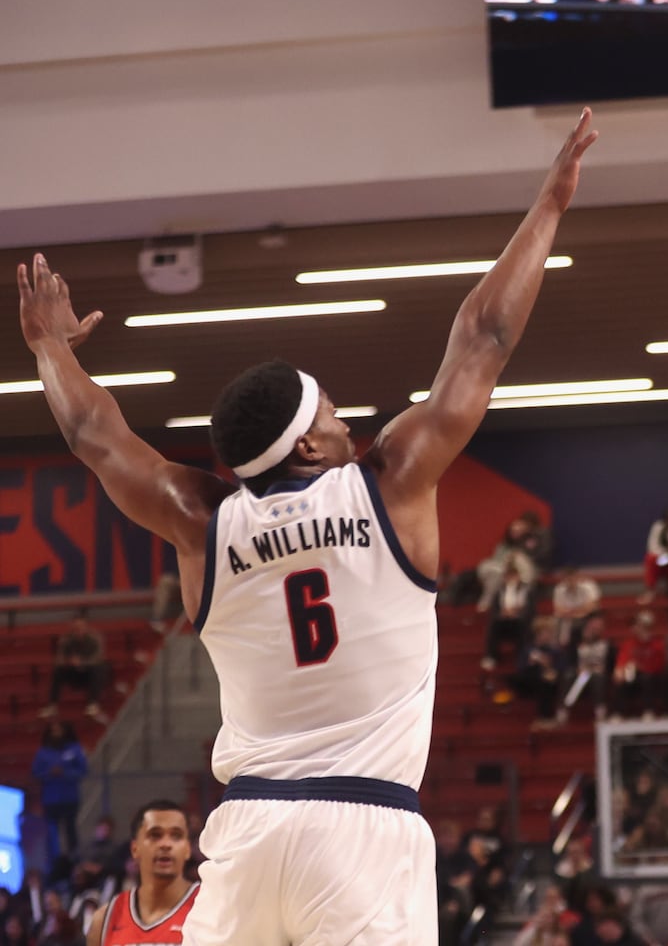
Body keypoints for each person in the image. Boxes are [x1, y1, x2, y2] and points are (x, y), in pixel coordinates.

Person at [14, 111, 598, 944]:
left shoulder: (201, 521)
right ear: (311, 443)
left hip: (247, 834)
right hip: (362, 828)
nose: (344, 417)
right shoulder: (387, 484)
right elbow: (484, 338)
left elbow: (96, 437)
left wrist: (49, 351)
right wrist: (548, 206)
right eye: (330, 409)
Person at [85, 800, 197, 946]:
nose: (166, 844)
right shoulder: (105, 919)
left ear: (188, 849)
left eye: (176, 836)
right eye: (155, 835)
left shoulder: (210, 908)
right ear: (134, 849)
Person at [31, 721, 87, 865]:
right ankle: (54, 860)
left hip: (69, 797)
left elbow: (83, 770)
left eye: (59, 730)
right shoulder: (43, 752)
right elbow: (36, 773)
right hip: (51, 799)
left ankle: (74, 859)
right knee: (52, 831)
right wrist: (50, 773)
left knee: (70, 829)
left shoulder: (74, 749)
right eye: (53, 730)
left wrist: (66, 772)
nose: (56, 734)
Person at [41, 614, 110, 721]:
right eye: (76, 627)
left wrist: (81, 662)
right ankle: (52, 705)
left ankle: (92, 704)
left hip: (89, 672)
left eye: (81, 627)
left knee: (100, 668)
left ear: (87, 627)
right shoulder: (66, 639)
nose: (79, 630)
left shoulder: (95, 638)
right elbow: (59, 659)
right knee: (58, 670)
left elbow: (98, 657)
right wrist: (69, 661)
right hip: (73, 672)